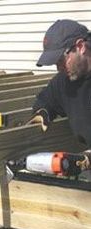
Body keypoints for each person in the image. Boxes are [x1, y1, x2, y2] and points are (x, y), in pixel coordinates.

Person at [28, 19, 91, 171]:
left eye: (61, 60)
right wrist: (42, 114)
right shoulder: (64, 82)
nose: (59, 67)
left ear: (80, 47)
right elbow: (45, 100)